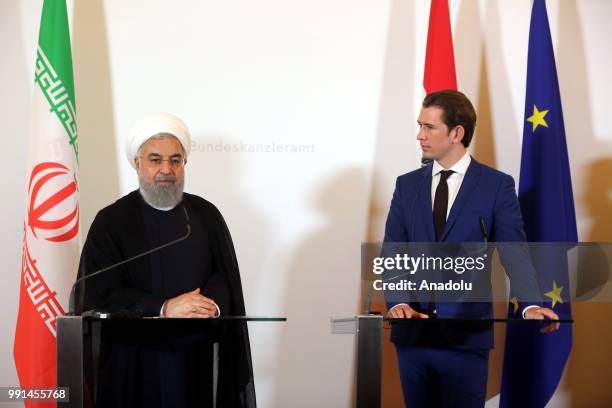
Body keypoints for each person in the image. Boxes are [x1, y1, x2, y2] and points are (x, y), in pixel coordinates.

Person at [383, 90, 559, 408]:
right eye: (419, 125)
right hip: (413, 336)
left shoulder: (496, 186)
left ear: (457, 133)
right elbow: (392, 252)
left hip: (466, 338)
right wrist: (396, 302)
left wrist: (531, 305)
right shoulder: (406, 185)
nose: (419, 135)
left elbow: (514, 253)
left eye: (429, 127)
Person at [76, 113, 255, 408]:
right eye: (155, 160)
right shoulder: (112, 220)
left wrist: (208, 305)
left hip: (190, 357)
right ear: (137, 163)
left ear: (184, 163)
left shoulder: (205, 215)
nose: (166, 169)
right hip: (131, 360)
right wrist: (164, 307)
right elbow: (99, 289)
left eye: (175, 160)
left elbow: (224, 277)